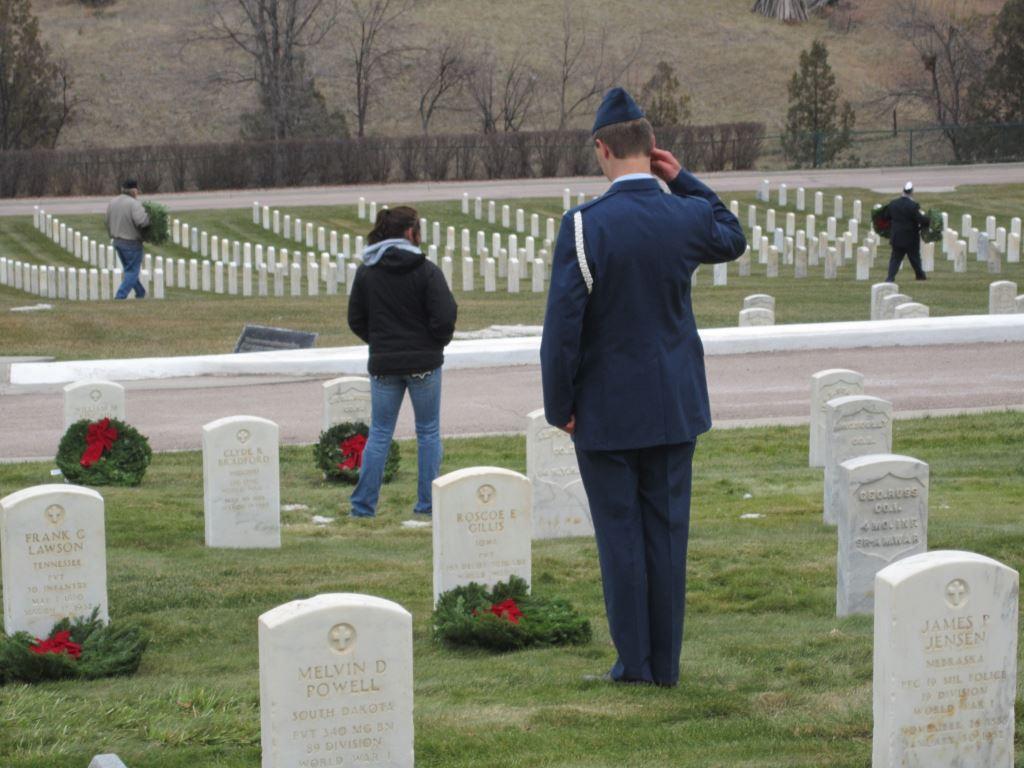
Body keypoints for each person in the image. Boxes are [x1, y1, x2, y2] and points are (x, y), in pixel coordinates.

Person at [540, 87, 746, 688]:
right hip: (674, 407)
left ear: (603, 150)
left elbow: (564, 328)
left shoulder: (583, 227)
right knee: (666, 537)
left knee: (621, 539)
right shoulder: (683, 216)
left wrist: (561, 406)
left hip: (605, 412)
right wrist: (685, 181)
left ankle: (635, 664)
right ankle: (667, 667)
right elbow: (731, 235)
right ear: (652, 150)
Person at [347, 206, 458, 518]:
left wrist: (382, 343)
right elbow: (445, 315)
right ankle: (427, 505)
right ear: (411, 232)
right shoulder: (426, 271)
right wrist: (432, 343)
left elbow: (356, 318)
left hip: (384, 365)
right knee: (428, 432)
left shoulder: (368, 271)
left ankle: (363, 506)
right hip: (424, 363)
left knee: (380, 433)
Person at [105, 178, 150, 300]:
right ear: (134, 190)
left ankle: (141, 293)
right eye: (137, 190)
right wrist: (150, 219)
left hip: (117, 241)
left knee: (129, 270)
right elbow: (142, 222)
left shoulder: (112, 202)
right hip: (131, 242)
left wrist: (112, 235)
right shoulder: (133, 203)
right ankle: (120, 296)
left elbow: (107, 221)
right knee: (133, 272)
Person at [885, 181, 930, 282]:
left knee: (895, 259)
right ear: (911, 192)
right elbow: (920, 219)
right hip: (910, 237)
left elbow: (886, 216)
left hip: (897, 237)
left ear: (903, 191)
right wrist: (928, 220)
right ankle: (920, 275)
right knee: (915, 258)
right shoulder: (912, 205)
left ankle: (890, 277)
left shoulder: (893, 204)